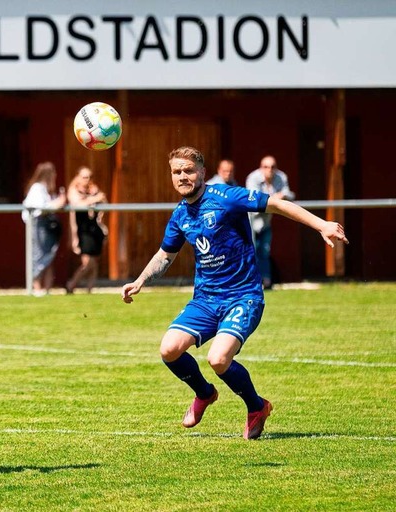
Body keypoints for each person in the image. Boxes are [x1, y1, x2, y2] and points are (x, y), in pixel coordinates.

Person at [121, 146, 348, 440]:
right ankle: (204, 393)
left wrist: (322, 225)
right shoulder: (180, 215)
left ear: (202, 172)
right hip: (205, 300)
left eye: (188, 171)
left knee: (218, 359)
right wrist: (139, 281)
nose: (182, 177)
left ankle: (257, 406)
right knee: (169, 349)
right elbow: (166, 255)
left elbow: (277, 205)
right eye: (177, 172)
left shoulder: (227, 197)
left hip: (243, 296)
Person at [245, 155, 295, 289]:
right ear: (261, 168)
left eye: (273, 167)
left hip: (266, 222)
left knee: (265, 251)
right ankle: (251, 283)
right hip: (251, 221)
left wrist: (282, 196)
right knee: (252, 251)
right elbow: (255, 201)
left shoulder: (281, 177)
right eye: (266, 167)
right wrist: (276, 198)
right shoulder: (253, 178)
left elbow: (290, 194)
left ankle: (266, 281)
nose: (270, 170)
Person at [22, 161, 67, 296]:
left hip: (46, 226)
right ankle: (37, 288)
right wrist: (60, 202)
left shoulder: (45, 189)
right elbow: (40, 208)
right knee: (38, 255)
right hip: (38, 224)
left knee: (48, 256)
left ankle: (46, 290)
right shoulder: (37, 188)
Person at [66, 166, 108, 293]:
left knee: (94, 260)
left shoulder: (92, 190)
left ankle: (90, 290)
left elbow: (105, 204)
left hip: (94, 228)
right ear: (78, 177)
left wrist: (97, 195)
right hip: (83, 230)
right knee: (88, 262)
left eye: (90, 177)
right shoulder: (73, 190)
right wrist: (95, 198)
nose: (87, 180)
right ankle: (71, 284)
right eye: (84, 177)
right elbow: (78, 205)